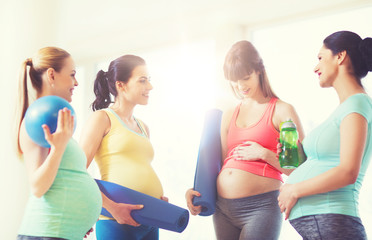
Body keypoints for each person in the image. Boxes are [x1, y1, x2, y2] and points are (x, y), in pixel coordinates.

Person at [186, 40, 305, 240]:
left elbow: (299, 170)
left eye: (246, 77)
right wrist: (197, 191)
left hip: (261, 207)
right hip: (222, 209)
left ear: (259, 70)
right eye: (234, 80)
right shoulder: (229, 114)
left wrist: (264, 154)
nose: (240, 86)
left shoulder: (282, 111)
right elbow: (221, 165)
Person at [277, 31, 372, 239]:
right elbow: (316, 167)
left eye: (320, 58)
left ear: (340, 56)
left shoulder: (357, 104)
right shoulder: (346, 108)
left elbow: (348, 172)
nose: (315, 67)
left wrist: (294, 190)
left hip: (333, 221)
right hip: (326, 224)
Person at [14, 47, 102, 240]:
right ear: (52, 75)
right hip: (46, 233)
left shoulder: (53, 121)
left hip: (61, 233)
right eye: (72, 75)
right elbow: (38, 187)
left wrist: (79, 218)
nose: (76, 82)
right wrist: (58, 148)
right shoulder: (37, 120)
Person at [80, 54, 167, 240]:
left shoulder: (144, 127)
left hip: (150, 219)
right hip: (115, 221)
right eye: (142, 80)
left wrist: (156, 200)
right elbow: (76, 171)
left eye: (149, 80)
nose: (149, 86)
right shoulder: (102, 118)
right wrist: (112, 208)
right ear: (121, 85)